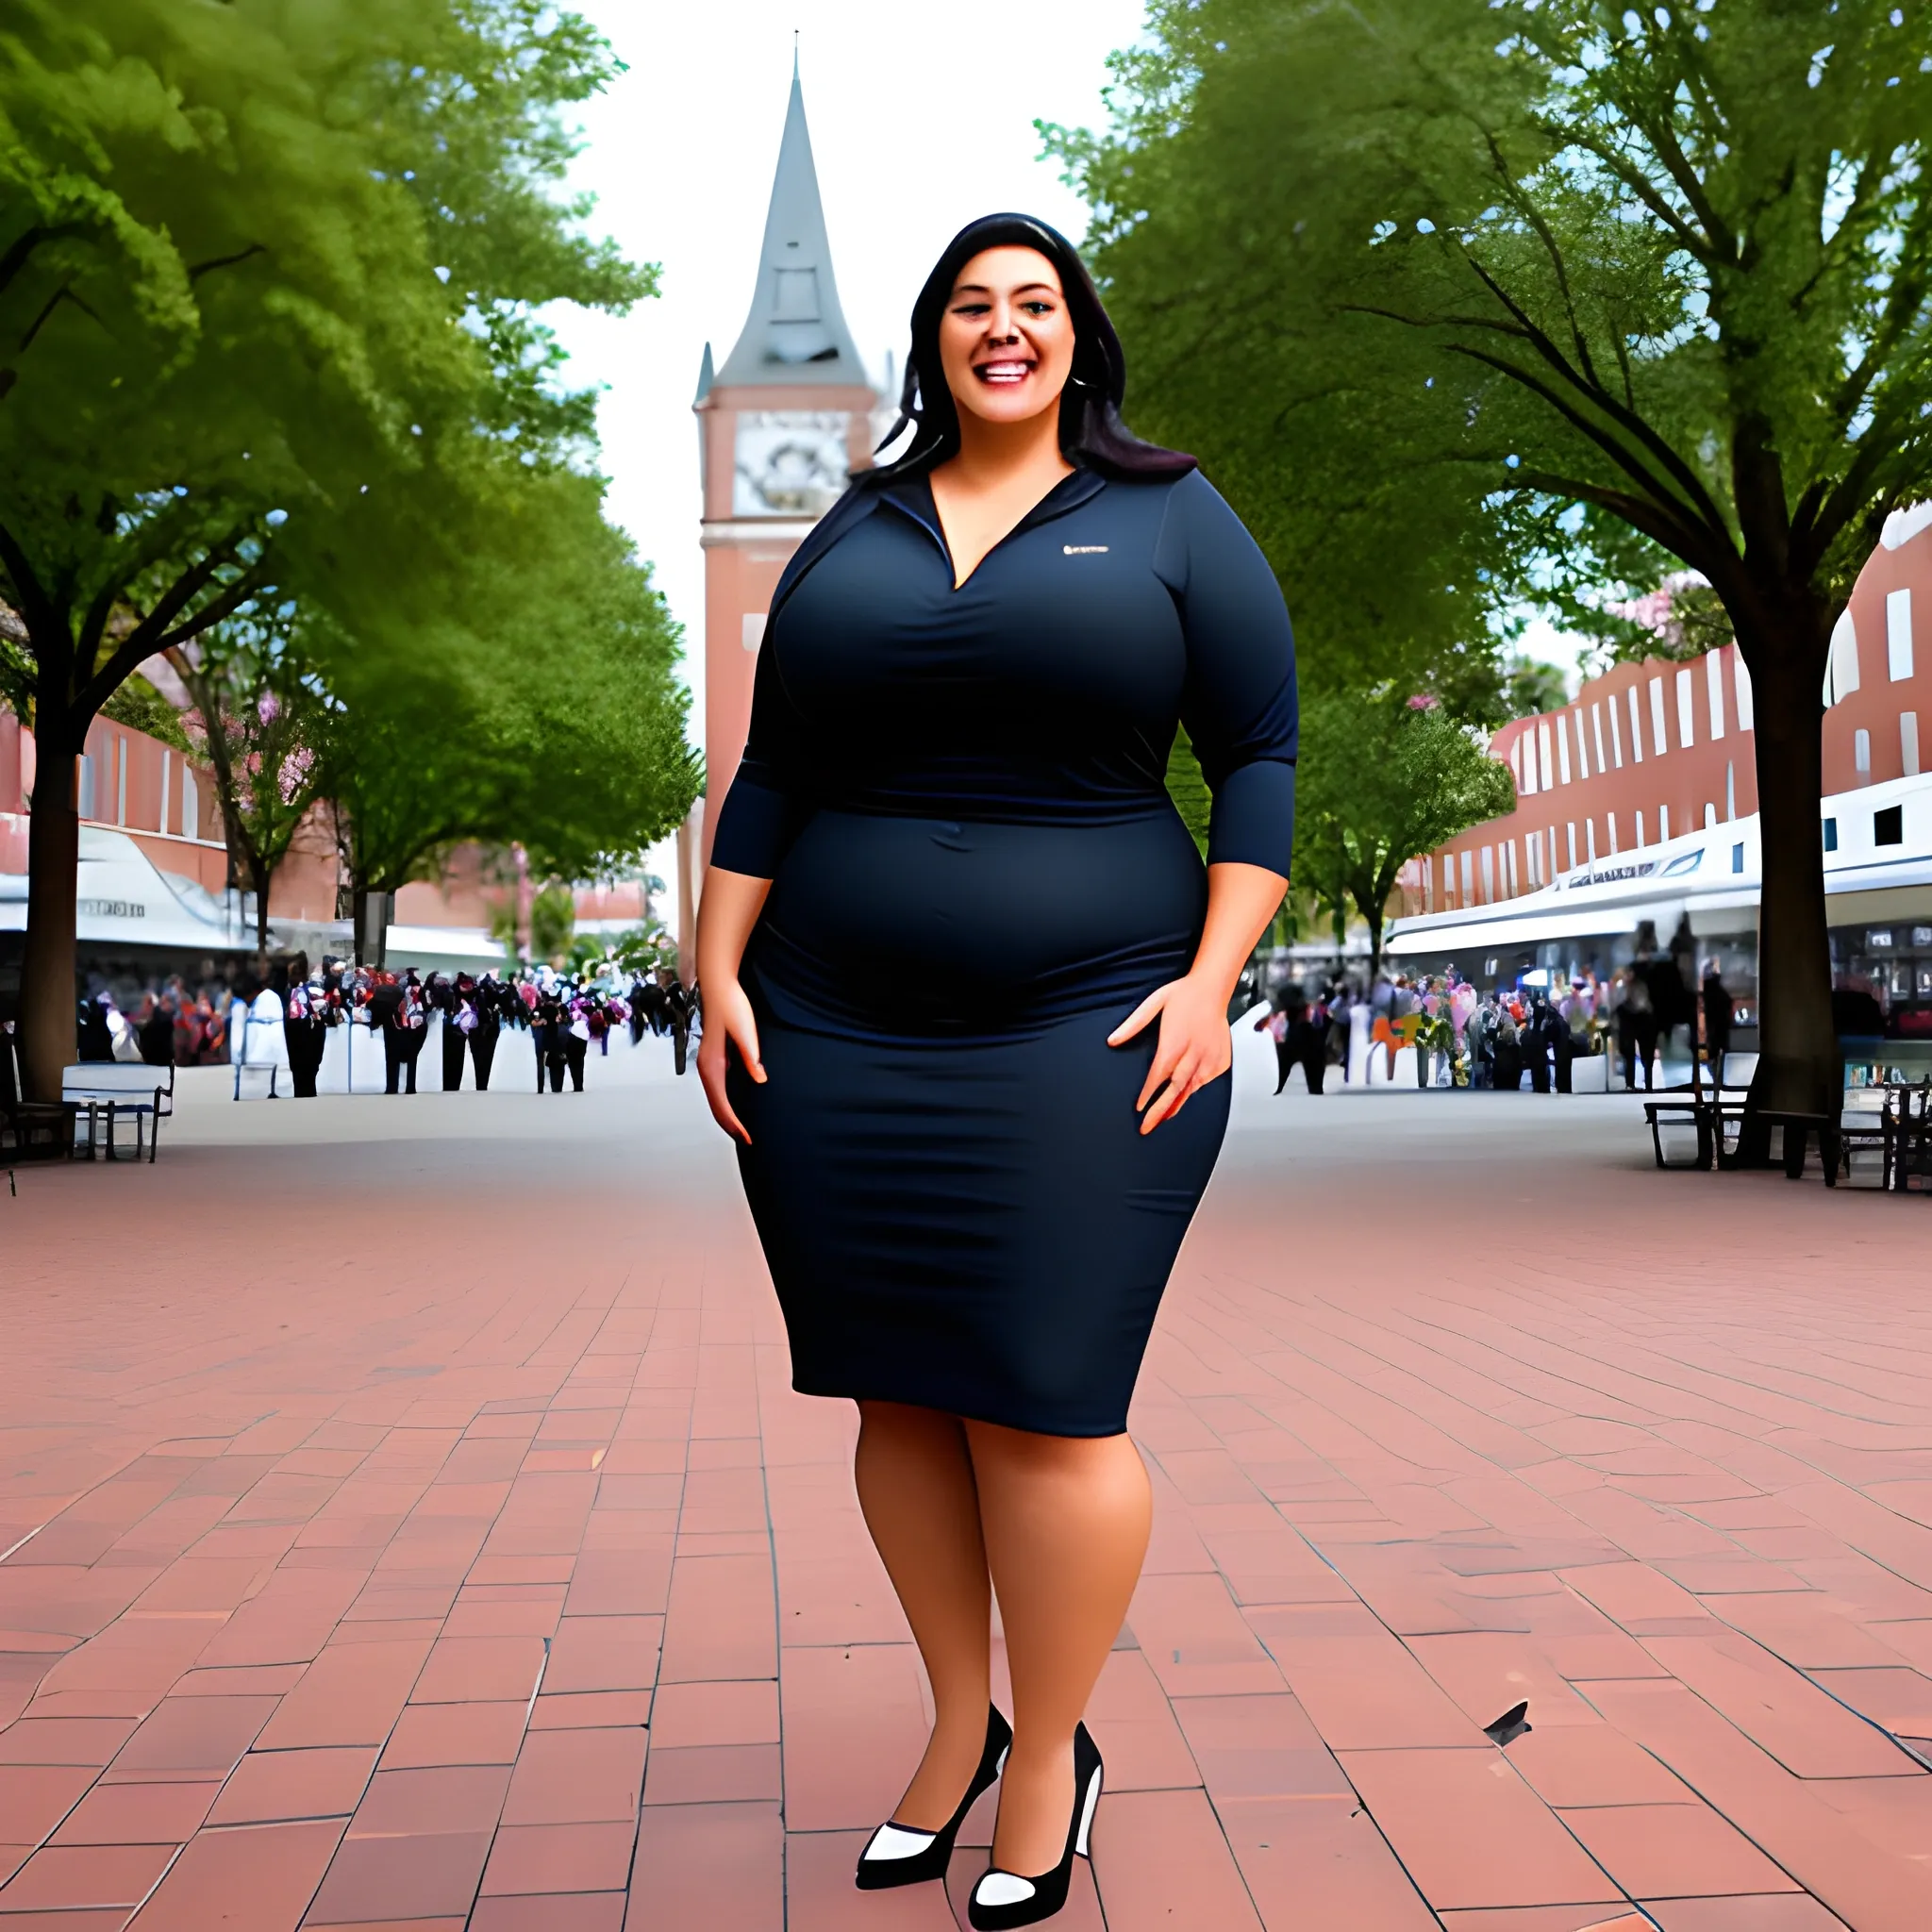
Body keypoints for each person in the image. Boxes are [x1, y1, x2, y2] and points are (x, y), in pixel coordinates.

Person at [693, 214, 1295, 1929]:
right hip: (833, 1026)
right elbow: (774, 769)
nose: (1003, 327)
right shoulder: (854, 528)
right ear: (932, 340)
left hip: (1093, 1020)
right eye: (972, 305)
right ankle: (956, 1723)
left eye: (1034, 303)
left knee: (1046, 1404)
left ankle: (1050, 1755)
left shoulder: (1168, 514)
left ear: (1077, 340)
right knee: (897, 1392)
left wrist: (1209, 980)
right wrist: (715, 960)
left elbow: (1256, 749)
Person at [1702, 959, 1734, 1083]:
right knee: (1717, 1052)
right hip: (1718, 1027)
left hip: (1713, 1028)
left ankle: (1716, 1077)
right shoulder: (1717, 991)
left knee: (1712, 1053)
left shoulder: (1709, 990)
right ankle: (1717, 1078)